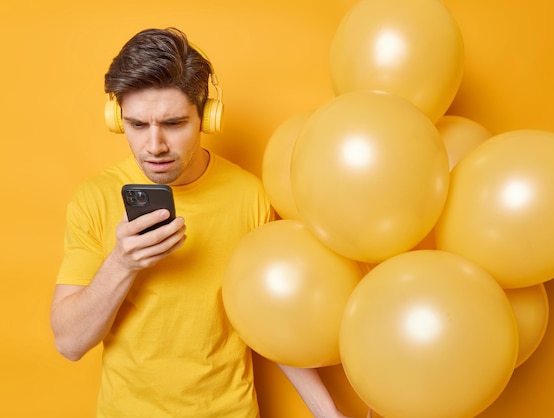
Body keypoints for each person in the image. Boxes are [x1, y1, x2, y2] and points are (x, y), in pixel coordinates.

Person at [50, 27, 351, 418]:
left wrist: (328, 413)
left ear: (207, 116)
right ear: (116, 118)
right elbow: (70, 343)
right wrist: (122, 264)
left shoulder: (249, 196)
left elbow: (271, 320)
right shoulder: (93, 198)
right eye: (137, 125)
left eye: (174, 124)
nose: (154, 145)